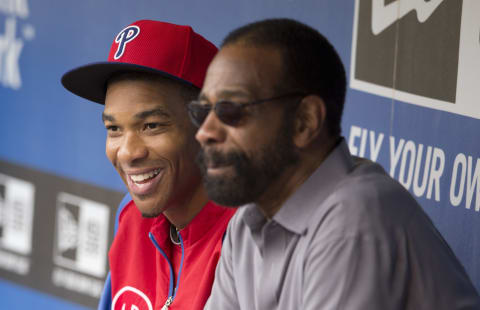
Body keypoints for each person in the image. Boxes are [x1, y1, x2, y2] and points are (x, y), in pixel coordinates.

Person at [188, 18, 480, 309]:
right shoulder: (248, 221)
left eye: (231, 110)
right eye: (203, 111)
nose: (205, 132)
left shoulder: (357, 218)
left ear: (305, 122)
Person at [61, 20, 235, 310]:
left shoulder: (252, 242)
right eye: (114, 129)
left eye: (152, 125)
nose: (128, 153)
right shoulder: (131, 218)